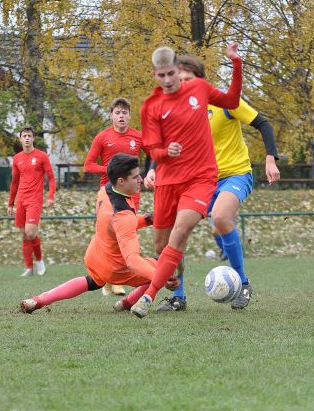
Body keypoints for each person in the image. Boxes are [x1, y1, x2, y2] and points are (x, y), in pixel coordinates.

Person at [148, 54, 281, 311]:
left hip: (235, 174)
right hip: (198, 180)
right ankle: (179, 297)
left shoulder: (224, 102)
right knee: (178, 232)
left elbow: (263, 123)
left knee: (220, 218)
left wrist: (270, 159)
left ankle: (242, 283)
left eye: (189, 79)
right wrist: (153, 169)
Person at [129, 43, 243, 318]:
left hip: (201, 178)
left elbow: (231, 102)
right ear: (154, 75)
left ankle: (148, 297)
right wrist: (165, 152)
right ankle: (174, 285)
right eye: (161, 76)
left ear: (177, 70)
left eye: (171, 74)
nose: (167, 80)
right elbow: (152, 150)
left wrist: (236, 65)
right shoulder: (151, 107)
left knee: (181, 233)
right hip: (168, 182)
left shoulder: (199, 89)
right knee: (162, 247)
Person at [20, 154, 178, 313]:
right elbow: (132, 261)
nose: (141, 180)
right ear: (121, 181)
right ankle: (128, 302)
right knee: (164, 266)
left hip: (95, 257)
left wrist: (147, 219)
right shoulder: (123, 216)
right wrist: (161, 277)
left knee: (91, 282)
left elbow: (113, 224)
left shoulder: (105, 190)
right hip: (116, 270)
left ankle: (37, 300)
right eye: (135, 177)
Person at [83, 97, 146, 296]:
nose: (121, 116)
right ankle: (112, 280)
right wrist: (110, 171)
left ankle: (113, 281)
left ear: (129, 115)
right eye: (117, 112)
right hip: (108, 196)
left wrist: (150, 173)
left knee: (127, 234)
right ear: (111, 115)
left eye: (124, 113)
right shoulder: (102, 137)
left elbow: (154, 154)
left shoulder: (138, 137)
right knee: (110, 236)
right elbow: (88, 165)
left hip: (131, 194)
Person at [8, 126, 56, 277]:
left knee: (30, 232)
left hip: (35, 200)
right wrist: (10, 204)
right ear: (20, 139)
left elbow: (52, 178)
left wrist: (50, 196)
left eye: (29, 135)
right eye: (24, 136)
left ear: (33, 138)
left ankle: (40, 261)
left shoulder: (41, 156)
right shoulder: (17, 159)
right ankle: (29, 268)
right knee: (23, 235)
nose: (27, 138)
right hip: (21, 200)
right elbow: (14, 183)